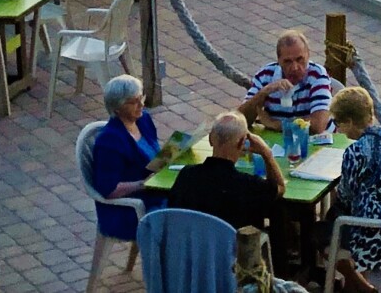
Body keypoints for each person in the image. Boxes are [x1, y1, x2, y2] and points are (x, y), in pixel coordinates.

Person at [314, 86, 381, 293]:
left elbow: (345, 195)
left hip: (374, 230)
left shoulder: (355, 151)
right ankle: (356, 284)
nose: (338, 128)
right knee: (333, 218)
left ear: (350, 122)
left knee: (318, 233)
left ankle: (356, 282)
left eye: (338, 123)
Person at [167, 110, 285, 259]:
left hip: (190, 258)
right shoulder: (248, 185)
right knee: (280, 213)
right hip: (231, 263)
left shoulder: (186, 175)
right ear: (243, 143)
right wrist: (267, 154)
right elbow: (280, 188)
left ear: (210, 139)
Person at [91, 75, 166, 239]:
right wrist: (143, 184)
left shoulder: (143, 119)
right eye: (133, 102)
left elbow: (153, 154)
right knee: (184, 215)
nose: (141, 105)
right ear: (117, 108)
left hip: (155, 192)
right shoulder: (109, 142)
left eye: (141, 98)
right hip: (128, 211)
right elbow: (109, 190)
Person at [239, 29, 332, 132]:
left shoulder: (317, 75)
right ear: (278, 60)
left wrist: (275, 124)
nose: (295, 67)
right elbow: (240, 121)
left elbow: (318, 125)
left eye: (299, 59)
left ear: (308, 55)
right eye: (288, 61)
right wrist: (263, 93)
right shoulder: (265, 75)